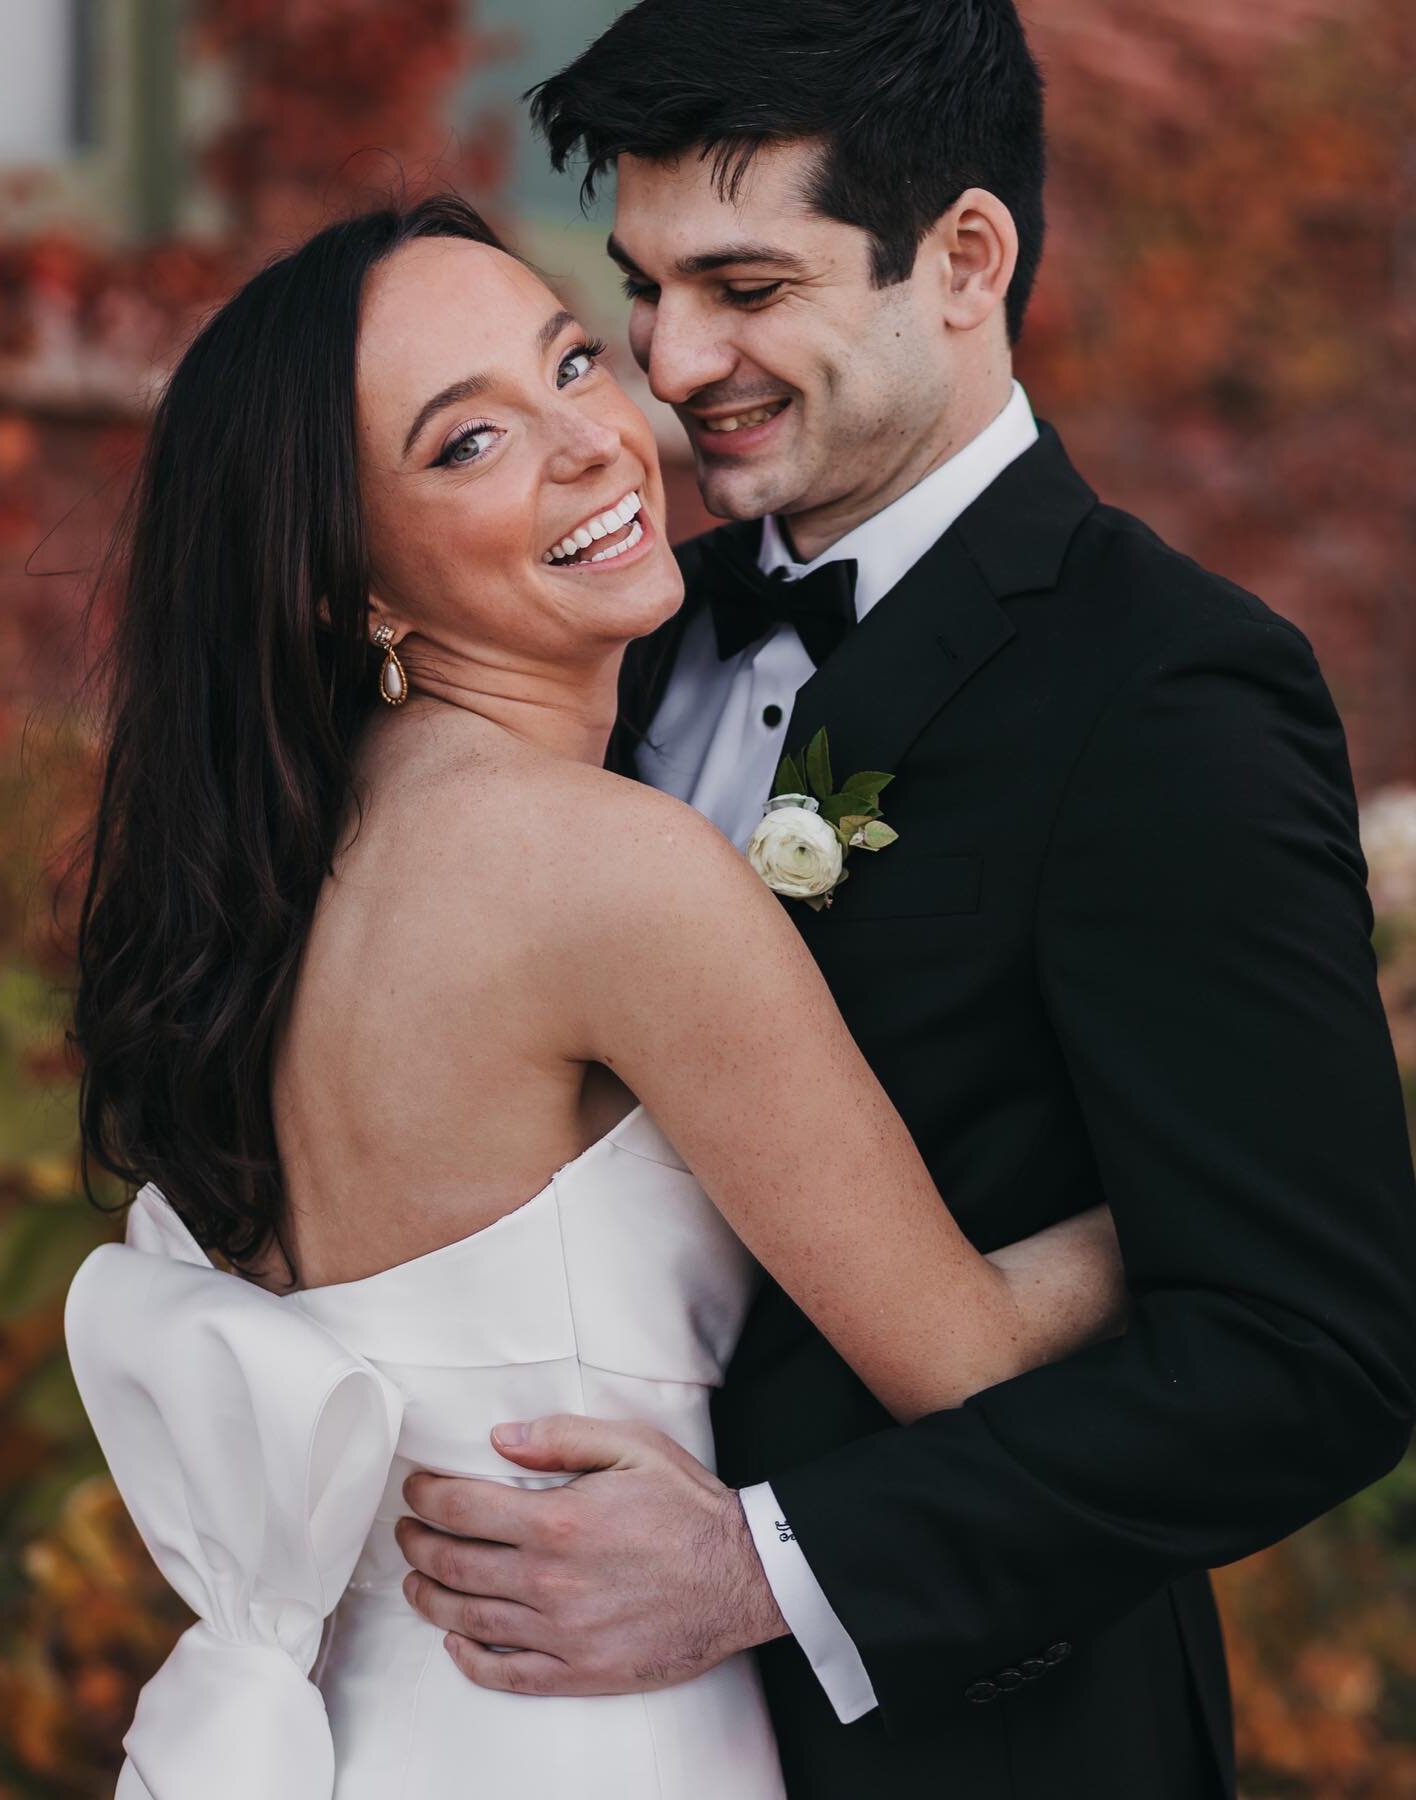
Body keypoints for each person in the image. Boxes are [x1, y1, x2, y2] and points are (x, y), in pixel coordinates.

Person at [392, 3, 1416, 1796]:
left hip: (974, 1750)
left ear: (962, 258)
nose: (672, 359)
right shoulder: (611, 636)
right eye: (640, 289)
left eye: (744, 284)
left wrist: (766, 1569)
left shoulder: (1164, 692)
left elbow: (1313, 1356)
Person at [63, 194, 1128, 1799]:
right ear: (351, 582)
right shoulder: (602, 872)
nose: (589, 442)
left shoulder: (281, 873)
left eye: (570, 362)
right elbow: (962, 1363)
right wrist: (1193, 1187)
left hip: (372, 1720)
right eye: (465, 445)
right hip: (581, 1726)